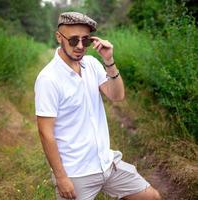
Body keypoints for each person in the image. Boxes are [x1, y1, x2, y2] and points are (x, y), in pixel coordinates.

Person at [34, 12, 161, 200]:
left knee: (151, 197)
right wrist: (61, 177)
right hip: (77, 173)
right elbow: (45, 133)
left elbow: (117, 96)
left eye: (85, 41)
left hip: (107, 163)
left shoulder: (92, 64)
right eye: (73, 40)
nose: (79, 46)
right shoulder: (48, 79)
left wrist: (109, 61)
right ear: (59, 37)